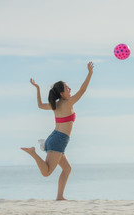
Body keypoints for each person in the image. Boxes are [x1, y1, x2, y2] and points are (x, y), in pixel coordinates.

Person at [21, 62, 94, 200]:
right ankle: (33, 153)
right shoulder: (68, 103)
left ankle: (60, 196)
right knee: (47, 172)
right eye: (67, 88)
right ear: (62, 93)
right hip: (58, 140)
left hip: (55, 139)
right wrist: (89, 73)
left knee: (67, 169)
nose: (70, 89)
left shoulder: (55, 105)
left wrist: (37, 88)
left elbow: (40, 105)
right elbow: (83, 90)